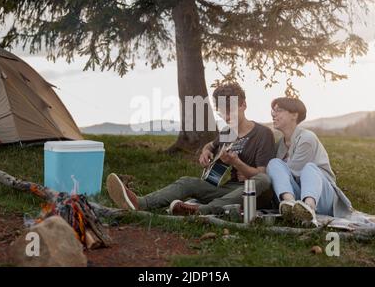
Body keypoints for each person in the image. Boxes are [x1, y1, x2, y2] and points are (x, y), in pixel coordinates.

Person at [106, 82, 276, 215]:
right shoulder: (227, 133)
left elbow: (262, 175)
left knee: (263, 181)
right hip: (229, 190)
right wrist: (206, 151)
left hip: (254, 194)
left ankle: (202, 210)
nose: (226, 116)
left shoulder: (263, 134)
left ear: (243, 105)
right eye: (222, 112)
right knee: (187, 181)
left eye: (230, 110)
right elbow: (211, 145)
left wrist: (237, 163)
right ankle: (141, 203)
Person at [266, 97, 352, 226]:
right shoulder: (280, 145)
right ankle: (290, 205)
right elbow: (278, 173)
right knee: (273, 163)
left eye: (279, 110)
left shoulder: (307, 138)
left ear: (294, 115)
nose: (273, 114)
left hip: (321, 196)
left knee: (309, 168)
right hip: (298, 196)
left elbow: (294, 172)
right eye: (273, 111)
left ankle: (308, 209)